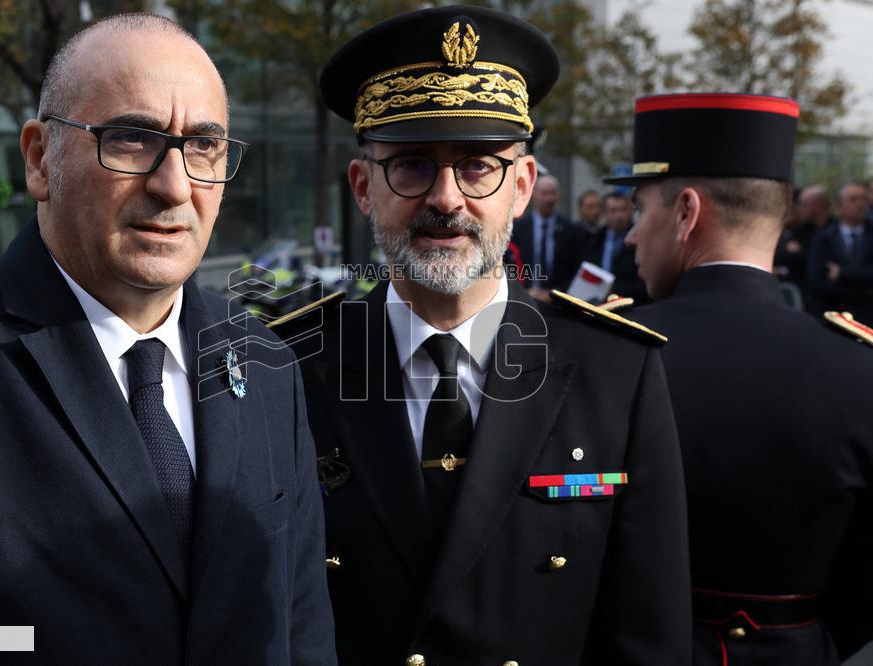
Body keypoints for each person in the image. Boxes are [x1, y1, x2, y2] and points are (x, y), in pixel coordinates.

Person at [0, 13, 335, 664]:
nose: (174, 185)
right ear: (39, 159)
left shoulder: (268, 367)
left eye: (204, 147)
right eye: (132, 139)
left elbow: (302, 630)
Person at [276, 6, 691, 665]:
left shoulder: (618, 374)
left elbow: (648, 635)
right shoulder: (292, 367)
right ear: (362, 186)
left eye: (477, 167)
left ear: (522, 186)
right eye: (411, 166)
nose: (446, 197)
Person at [611, 92, 873, 665]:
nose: (631, 235)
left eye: (639, 209)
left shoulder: (608, 354)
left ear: (685, 212)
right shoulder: (860, 367)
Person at [507, 173, 585, 300]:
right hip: (523, 297)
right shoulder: (517, 229)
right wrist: (523, 291)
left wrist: (556, 292)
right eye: (544, 193)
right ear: (533, 194)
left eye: (552, 193)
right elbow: (510, 266)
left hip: (558, 300)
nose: (549, 199)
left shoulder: (571, 231)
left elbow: (576, 269)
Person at [807, 182, 873, 321]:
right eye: (853, 199)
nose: (860, 204)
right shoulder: (823, 238)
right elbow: (816, 282)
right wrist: (863, 291)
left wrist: (842, 273)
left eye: (864, 199)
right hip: (832, 315)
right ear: (839, 206)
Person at [583, 191, 647, 303]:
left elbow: (645, 285)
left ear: (631, 211)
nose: (618, 216)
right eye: (613, 211)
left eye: (623, 210)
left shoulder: (640, 240)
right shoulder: (595, 239)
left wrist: (614, 289)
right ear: (604, 213)